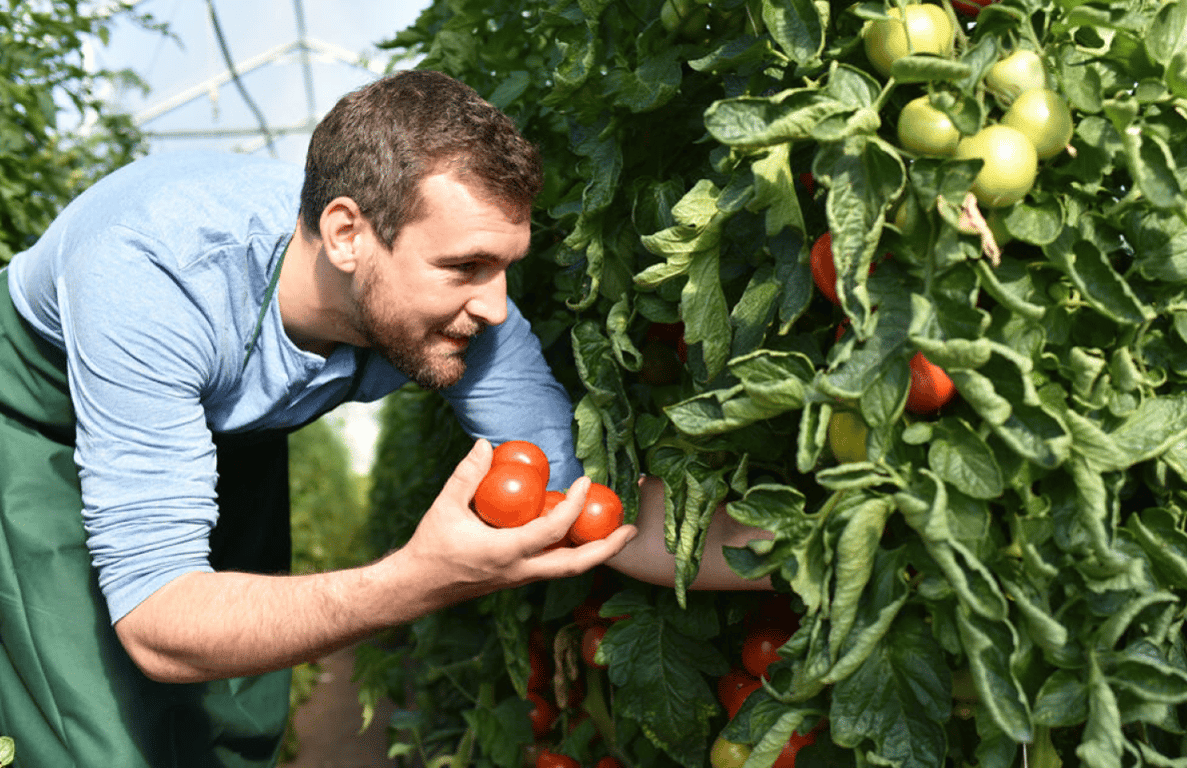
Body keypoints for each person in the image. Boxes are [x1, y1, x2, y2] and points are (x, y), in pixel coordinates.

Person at [0, 69, 766, 768]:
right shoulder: (153, 278)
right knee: (100, 739)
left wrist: (802, 554)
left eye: (504, 267)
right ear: (345, 235)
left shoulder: (464, 312)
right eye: (463, 267)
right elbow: (158, 621)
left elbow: (585, 507)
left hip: (224, 426)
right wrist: (415, 581)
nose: (495, 305)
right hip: (44, 421)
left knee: (233, 725)